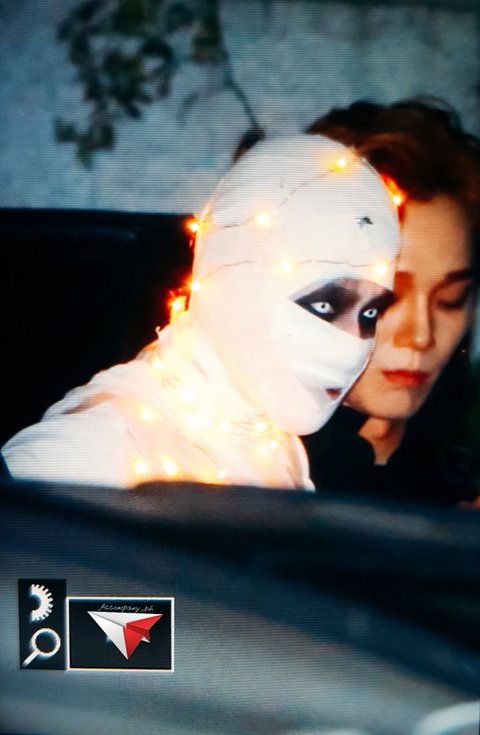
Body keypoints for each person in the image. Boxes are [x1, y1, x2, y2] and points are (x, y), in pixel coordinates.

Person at [1, 134, 400, 489]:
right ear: (237, 287)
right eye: (325, 305)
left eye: (369, 314)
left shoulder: (277, 449)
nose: (353, 347)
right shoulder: (91, 452)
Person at [302, 99, 480, 504]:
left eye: (451, 299)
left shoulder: (463, 490)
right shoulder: (226, 473)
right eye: (388, 299)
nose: (420, 336)